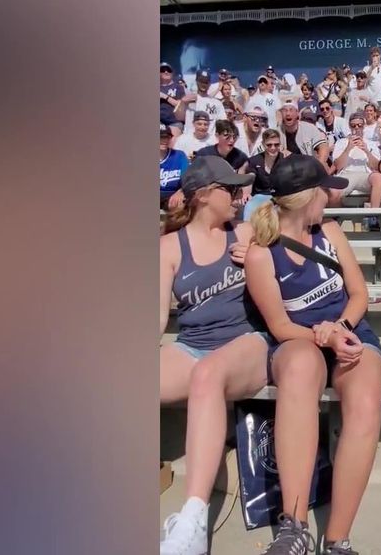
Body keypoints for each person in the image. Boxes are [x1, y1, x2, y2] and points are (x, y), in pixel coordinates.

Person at [244, 155, 381, 555]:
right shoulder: (260, 253)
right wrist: (320, 337)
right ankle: (295, 527)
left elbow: (359, 295)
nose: (332, 195)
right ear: (309, 197)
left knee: (365, 395)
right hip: (298, 340)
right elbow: (279, 326)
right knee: (301, 369)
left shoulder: (330, 231)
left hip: (348, 329)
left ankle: (337, 539)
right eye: (327, 189)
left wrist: (338, 330)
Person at [158, 157, 267, 555]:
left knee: (207, 374)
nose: (239, 195)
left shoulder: (247, 231)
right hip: (193, 344)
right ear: (204, 196)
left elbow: (283, 280)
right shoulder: (169, 246)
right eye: (230, 188)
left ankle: (192, 521)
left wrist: (257, 259)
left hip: (248, 342)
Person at [328, 113, 381, 224]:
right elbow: (338, 166)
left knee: (378, 177)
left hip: (365, 175)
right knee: (333, 192)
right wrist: (348, 148)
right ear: (350, 127)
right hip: (346, 175)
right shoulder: (341, 142)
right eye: (353, 125)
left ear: (364, 126)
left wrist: (366, 151)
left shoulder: (371, 144)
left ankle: (373, 218)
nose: (357, 128)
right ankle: (336, 221)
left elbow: (376, 167)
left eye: (359, 125)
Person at [243, 128, 285, 221]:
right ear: (263, 144)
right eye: (269, 145)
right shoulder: (255, 160)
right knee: (250, 206)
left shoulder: (285, 160)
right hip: (260, 196)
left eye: (276, 144)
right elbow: (250, 177)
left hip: (280, 196)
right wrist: (246, 193)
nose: (273, 148)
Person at [160, 123, 190, 210]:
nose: (164, 140)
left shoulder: (179, 155)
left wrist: (181, 191)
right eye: (161, 137)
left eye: (167, 137)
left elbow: (188, 179)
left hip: (173, 196)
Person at [160, 63, 188, 139]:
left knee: (171, 142)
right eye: (162, 70)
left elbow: (180, 105)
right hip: (160, 122)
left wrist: (165, 96)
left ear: (172, 73)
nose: (166, 72)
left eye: (168, 70)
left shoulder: (178, 87)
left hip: (174, 122)